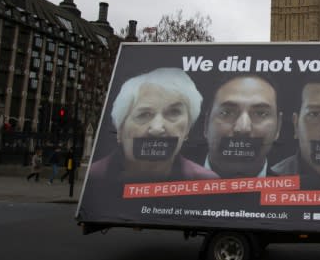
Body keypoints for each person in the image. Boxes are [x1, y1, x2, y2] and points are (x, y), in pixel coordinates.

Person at [87, 67, 218, 191]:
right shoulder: (94, 178)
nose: (157, 128)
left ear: (188, 128)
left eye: (173, 113)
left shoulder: (207, 182)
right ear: (120, 130)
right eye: (144, 114)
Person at [203, 74, 282, 178]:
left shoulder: (295, 193)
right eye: (227, 112)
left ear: (278, 127)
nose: (243, 128)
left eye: (261, 113)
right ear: (206, 123)